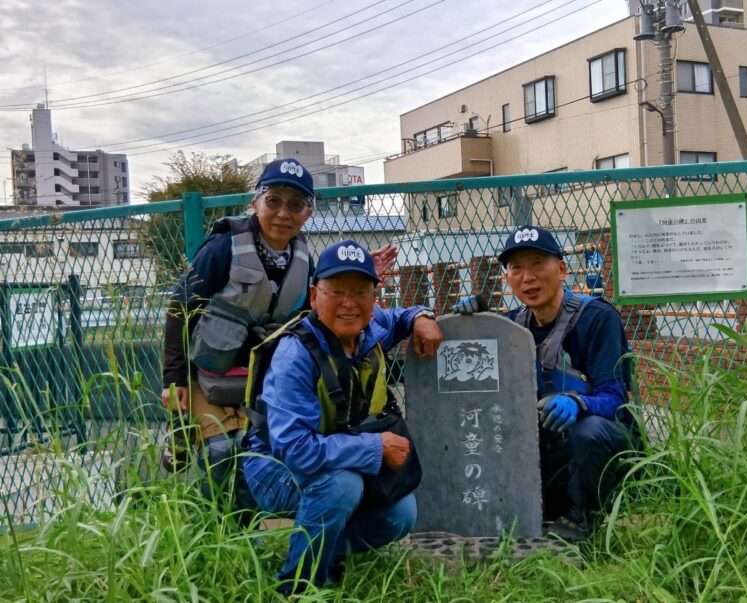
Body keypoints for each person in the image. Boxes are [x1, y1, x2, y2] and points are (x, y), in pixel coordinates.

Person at [160, 158, 396, 514]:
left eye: (296, 204)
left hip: (264, 381)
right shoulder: (222, 248)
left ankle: (244, 534)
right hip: (211, 376)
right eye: (274, 201)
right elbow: (179, 309)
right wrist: (174, 378)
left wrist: (358, 277)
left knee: (255, 456)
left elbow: (320, 310)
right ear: (256, 202)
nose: (284, 213)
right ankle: (210, 528)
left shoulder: (302, 258)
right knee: (221, 454)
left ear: (308, 212)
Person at [242, 240, 443, 594]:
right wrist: (375, 446)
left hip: (336, 457)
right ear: (314, 295)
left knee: (402, 514)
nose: (349, 303)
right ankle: (299, 584)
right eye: (336, 291)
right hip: (274, 468)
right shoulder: (296, 355)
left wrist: (421, 317)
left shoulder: (371, 327)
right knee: (342, 486)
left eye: (360, 291)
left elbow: (399, 316)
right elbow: (294, 449)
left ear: (374, 296)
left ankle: (321, 548)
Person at [454, 225, 636, 541]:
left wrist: (579, 403)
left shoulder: (597, 318)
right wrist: (471, 324)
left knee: (588, 430)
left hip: (602, 449)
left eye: (538, 263)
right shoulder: (511, 325)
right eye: (517, 268)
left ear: (562, 269)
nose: (528, 277)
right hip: (549, 452)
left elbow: (615, 397)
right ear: (507, 278)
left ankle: (582, 520)